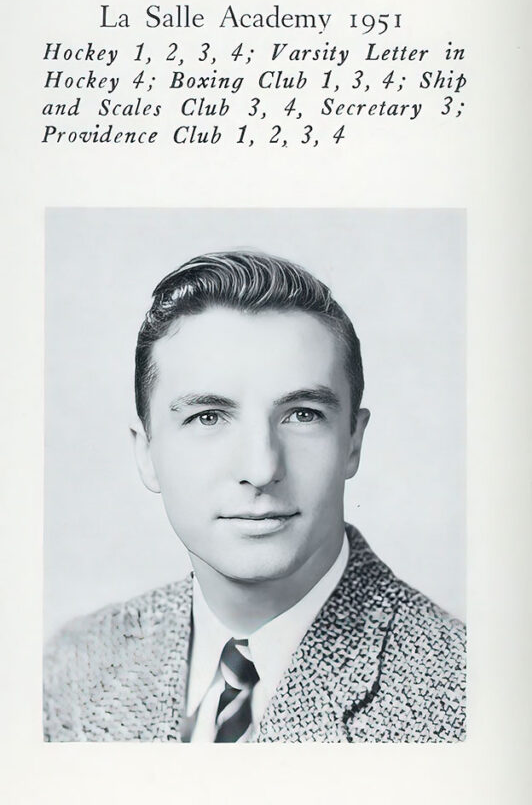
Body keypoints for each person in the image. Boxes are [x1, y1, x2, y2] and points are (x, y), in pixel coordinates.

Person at [43, 249, 466, 742]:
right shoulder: (72, 670)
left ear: (353, 441)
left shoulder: (468, 700)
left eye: (302, 414)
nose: (261, 469)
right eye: (208, 417)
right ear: (146, 453)